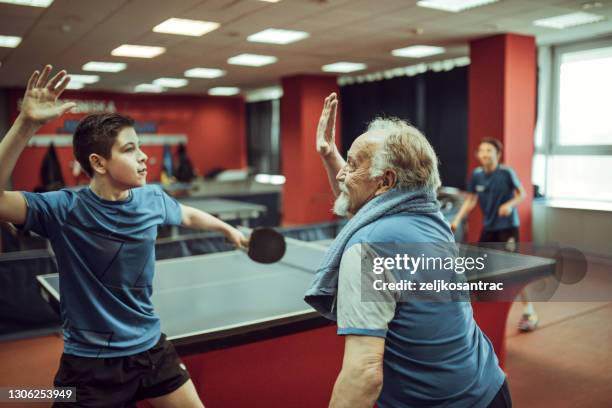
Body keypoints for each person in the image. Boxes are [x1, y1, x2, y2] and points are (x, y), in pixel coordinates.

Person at [0, 65, 248, 407]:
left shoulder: (152, 197)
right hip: (90, 365)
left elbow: (187, 214)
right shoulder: (63, 209)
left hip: (150, 351)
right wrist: (26, 124)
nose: (145, 155)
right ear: (99, 163)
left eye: (140, 146)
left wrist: (227, 229)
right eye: (130, 149)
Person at [305, 93, 512, 408]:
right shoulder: (430, 217)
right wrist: (329, 153)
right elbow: (363, 209)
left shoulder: (367, 250)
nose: (341, 175)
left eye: (351, 165)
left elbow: (364, 373)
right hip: (491, 389)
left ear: (387, 181)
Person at [451, 138, 537, 332]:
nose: (484, 154)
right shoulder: (477, 175)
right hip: (489, 227)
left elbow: (522, 194)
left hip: (507, 227)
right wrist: (457, 219)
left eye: (489, 150)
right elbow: (471, 199)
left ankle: (529, 311)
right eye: (481, 151)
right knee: (482, 268)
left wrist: (508, 205)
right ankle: (479, 315)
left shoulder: (506, 173)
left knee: (514, 270)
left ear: (497, 154)